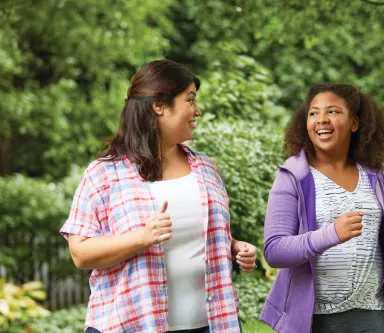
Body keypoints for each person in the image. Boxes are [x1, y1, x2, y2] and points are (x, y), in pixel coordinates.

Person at [60, 59, 256, 333]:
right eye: (190, 99)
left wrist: (234, 247)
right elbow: (80, 253)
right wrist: (142, 237)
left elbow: (206, 237)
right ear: (159, 105)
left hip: (212, 324)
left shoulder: (206, 169)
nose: (197, 111)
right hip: (132, 325)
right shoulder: (104, 173)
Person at [259, 83, 384, 333]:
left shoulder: (374, 173)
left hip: (372, 312)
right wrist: (332, 234)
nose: (321, 119)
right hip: (315, 317)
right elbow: (274, 251)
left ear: (354, 123)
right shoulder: (293, 175)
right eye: (313, 113)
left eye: (333, 111)